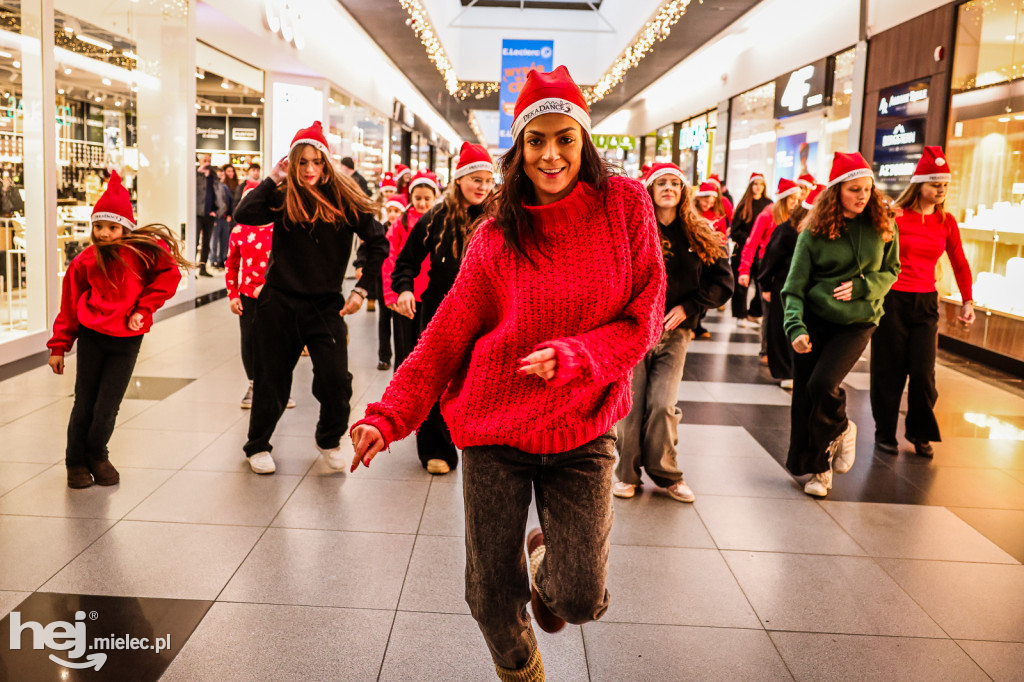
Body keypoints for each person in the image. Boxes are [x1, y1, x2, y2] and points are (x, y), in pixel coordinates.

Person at [350, 66, 664, 681]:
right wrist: (389, 415)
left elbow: (645, 316)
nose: (551, 154)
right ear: (519, 148)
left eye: (564, 138)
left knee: (579, 597)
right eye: (536, 140)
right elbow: (445, 333)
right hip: (496, 428)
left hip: (584, 425)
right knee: (490, 595)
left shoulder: (624, 208)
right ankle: (522, 671)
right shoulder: (495, 237)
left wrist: (580, 356)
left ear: (584, 140)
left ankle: (546, 561)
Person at [233, 121, 388, 475]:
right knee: (270, 379)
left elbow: (377, 241)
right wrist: (273, 178)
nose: (309, 170)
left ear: (326, 162)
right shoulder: (281, 194)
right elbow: (244, 215)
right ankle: (257, 444)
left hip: (324, 305)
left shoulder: (344, 199)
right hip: (279, 302)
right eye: (301, 162)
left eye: (316, 161)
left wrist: (362, 288)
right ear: (292, 162)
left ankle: (329, 438)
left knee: (336, 379)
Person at [47, 171, 189, 488]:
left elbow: (168, 276)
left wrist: (144, 308)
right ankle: (75, 461)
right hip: (93, 337)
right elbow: (69, 306)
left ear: (126, 227)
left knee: (108, 403)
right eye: (99, 226)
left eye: (112, 227)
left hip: (127, 340)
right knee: (84, 401)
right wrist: (59, 346)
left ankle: (98, 452)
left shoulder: (142, 253)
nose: (105, 233)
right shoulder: (84, 261)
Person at [782, 152, 900, 497]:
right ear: (836, 192)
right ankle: (820, 471)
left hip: (859, 321)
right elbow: (793, 287)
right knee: (806, 395)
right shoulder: (813, 233)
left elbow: (892, 271)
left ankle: (843, 428)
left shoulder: (884, 225)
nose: (862, 196)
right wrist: (795, 328)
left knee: (823, 385)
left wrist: (864, 287)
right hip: (815, 321)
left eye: (867, 189)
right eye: (853, 190)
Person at [614, 163, 733, 503]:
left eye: (675, 184)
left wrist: (690, 307)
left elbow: (722, 281)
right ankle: (627, 474)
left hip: (675, 333)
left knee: (663, 404)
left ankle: (667, 474)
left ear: (684, 192)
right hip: (634, 331)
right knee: (632, 406)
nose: (668, 188)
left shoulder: (699, 233)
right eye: (661, 183)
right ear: (649, 190)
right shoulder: (633, 229)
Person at [390, 142, 496, 476]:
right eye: (475, 179)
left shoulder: (498, 218)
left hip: (486, 312)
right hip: (439, 310)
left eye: (487, 180)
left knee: (482, 380)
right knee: (434, 380)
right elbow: (405, 262)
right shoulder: (437, 216)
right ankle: (436, 448)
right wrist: (405, 289)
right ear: (460, 179)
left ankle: (480, 442)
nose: (482, 186)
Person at [871, 146, 975, 458]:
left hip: (926, 303)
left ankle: (919, 431)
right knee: (888, 371)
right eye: (935, 184)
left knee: (923, 372)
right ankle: (884, 432)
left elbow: (959, 262)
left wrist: (968, 300)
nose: (941, 190)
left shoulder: (947, 222)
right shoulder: (898, 216)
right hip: (893, 300)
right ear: (920, 185)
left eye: (945, 185)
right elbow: (876, 256)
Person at [225, 180, 296, 410]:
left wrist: (268, 285)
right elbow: (232, 264)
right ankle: (254, 384)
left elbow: (286, 263)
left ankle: (278, 386)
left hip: (276, 294)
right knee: (249, 340)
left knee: (278, 341)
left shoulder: (280, 228)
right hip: (247, 296)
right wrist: (233, 294)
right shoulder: (239, 231)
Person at [759, 184, 824, 389]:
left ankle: (799, 371)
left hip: (810, 290)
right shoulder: (786, 229)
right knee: (781, 327)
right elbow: (771, 259)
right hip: (783, 285)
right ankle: (785, 371)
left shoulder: (820, 231)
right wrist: (765, 285)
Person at [740, 178, 802, 365]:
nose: (795, 203)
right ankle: (765, 350)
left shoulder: (796, 219)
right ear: (784, 199)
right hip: (767, 268)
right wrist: (744, 270)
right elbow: (751, 244)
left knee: (785, 312)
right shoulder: (767, 215)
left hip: (787, 270)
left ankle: (784, 352)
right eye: (792, 199)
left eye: (798, 199)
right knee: (769, 312)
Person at [383, 170, 438, 368]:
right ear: (410, 197)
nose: (422, 203)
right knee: (405, 350)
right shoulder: (400, 224)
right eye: (417, 198)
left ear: (435, 198)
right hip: (405, 296)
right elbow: (389, 260)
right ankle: (399, 395)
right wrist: (391, 295)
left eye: (427, 199)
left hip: (433, 297)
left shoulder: (441, 222)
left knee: (427, 351)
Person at [729, 172, 771, 326]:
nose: (758, 187)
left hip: (762, 252)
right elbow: (734, 231)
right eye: (755, 184)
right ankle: (740, 314)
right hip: (743, 250)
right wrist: (748, 238)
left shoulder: (769, 204)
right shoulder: (743, 205)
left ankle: (754, 312)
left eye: (761, 184)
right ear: (750, 185)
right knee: (741, 284)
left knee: (761, 282)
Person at [195, 154, 226, 277]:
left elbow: (219, 195)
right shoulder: (195, 175)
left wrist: (218, 211)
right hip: (197, 213)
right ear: (199, 161)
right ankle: (192, 271)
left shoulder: (214, 177)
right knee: (195, 241)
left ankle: (203, 268)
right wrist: (199, 173)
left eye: (208, 160)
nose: (207, 163)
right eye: (204, 160)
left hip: (210, 215)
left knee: (206, 243)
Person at [210, 167, 234, 269]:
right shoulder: (212, 187)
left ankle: (222, 259)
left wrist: (229, 214)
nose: (220, 177)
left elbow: (229, 201)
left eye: (222, 175)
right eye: (218, 175)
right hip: (216, 217)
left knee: (225, 240)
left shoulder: (225, 187)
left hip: (225, 217)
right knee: (214, 240)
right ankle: (213, 260)